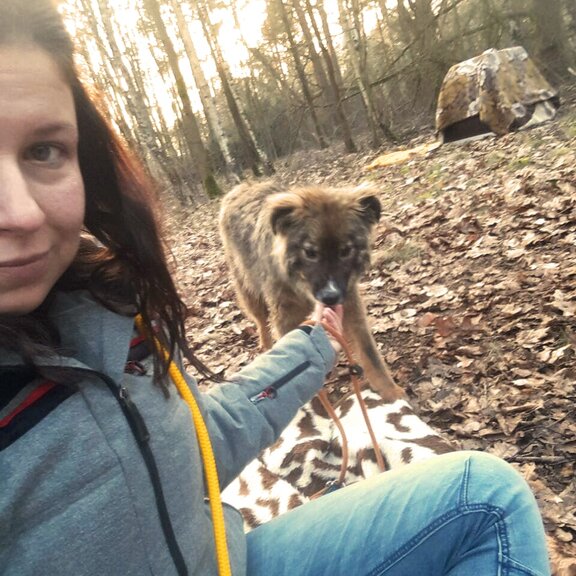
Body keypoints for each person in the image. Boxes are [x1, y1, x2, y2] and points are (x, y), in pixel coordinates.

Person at [0, 1, 551, 575]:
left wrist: (314, 347)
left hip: (226, 557)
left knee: (488, 497)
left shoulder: (112, 306)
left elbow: (188, 444)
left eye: (44, 150)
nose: (21, 213)